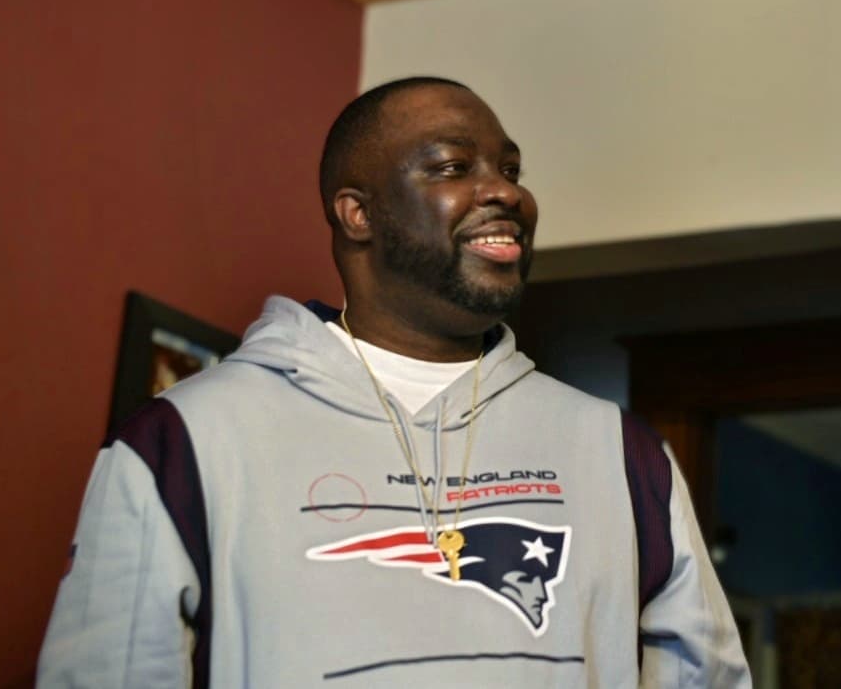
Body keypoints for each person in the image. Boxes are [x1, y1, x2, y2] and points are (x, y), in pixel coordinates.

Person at [40, 77, 752, 688]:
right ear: (358, 213)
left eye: (509, 167)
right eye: (451, 166)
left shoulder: (619, 452)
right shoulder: (184, 441)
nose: (504, 189)